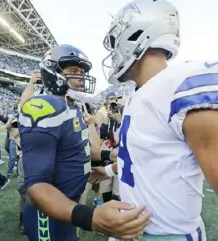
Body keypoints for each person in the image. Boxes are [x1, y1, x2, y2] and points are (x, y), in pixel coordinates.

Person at [95, 0, 218, 240]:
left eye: (117, 42)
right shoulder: (140, 95)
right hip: (129, 231)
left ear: (136, 35)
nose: (114, 52)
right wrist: (107, 170)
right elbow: (145, 160)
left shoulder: (178, 86)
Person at [18, 44, 150, 241]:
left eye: (81, 72)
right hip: (47, 211)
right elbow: (37, 186)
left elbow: (76, 150)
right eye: (73, 72)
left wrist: (109, 156)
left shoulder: (73, 108)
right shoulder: (44, 107)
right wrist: (91, 217)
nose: (80, 78)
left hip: (68, 205)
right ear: (52, 72)